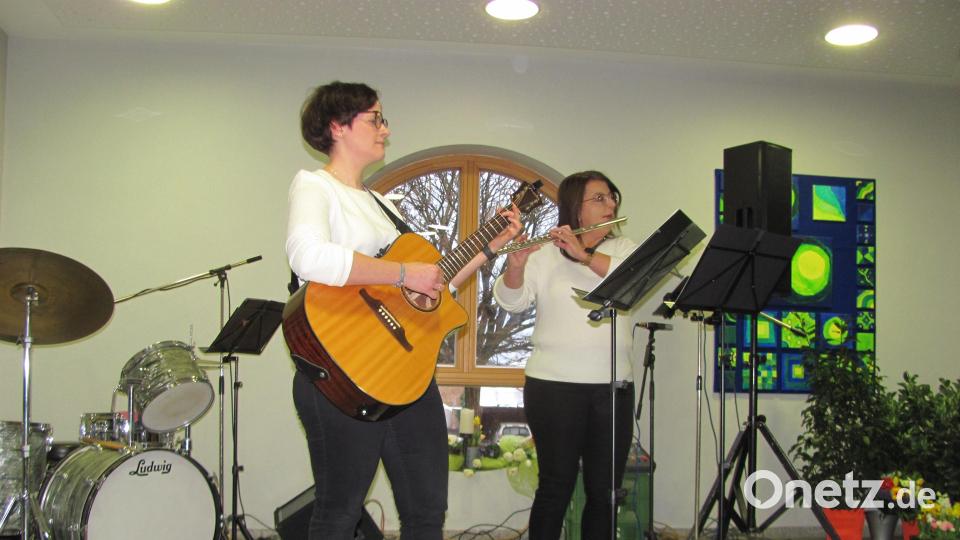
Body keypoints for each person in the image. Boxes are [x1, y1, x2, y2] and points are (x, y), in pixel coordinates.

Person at [286, 81, 521, 539]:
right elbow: (308, 257)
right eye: (375, 119)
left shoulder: (380, 205)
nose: (386, 129)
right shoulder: (315, 186)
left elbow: (432, 284)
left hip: (405, 377)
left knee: (427, 512)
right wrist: (401, 272)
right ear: (337, 126)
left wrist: (489, 246)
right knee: (339, 513)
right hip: (341, 375)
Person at [493, 171, 638, 539]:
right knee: (555, 486)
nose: (611, 204)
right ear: (576, 206)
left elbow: (632, 281)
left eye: (612, 197)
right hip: (553, 387)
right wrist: (515, 267)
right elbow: (512, 302)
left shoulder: (624, 249)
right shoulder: (544, 253)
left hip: (613, 388)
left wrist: (584, 255)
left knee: (605, 492)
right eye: (600, 198)